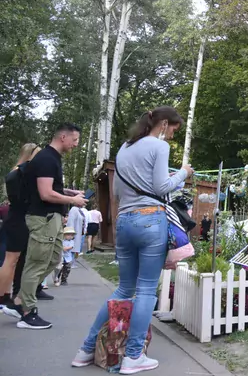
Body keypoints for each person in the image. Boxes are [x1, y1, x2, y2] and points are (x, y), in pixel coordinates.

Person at [72, 107, 193, 374]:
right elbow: (161, 187)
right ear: (163, 124)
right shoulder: (159, 147)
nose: (173, 135)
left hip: (124, 221)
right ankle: (134, 355)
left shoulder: (125, 148)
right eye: (174, 129)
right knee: (147, 290)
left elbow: (116, 191)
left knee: (124, 289)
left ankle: (87, 349)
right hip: (150, 219)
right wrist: (183, 173)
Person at [11, 126, 87, 329]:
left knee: (53, 259)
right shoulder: (46, 159)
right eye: (75, 140)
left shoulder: (52, 158)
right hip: (43, 218)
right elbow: (45, 194)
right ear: (63, 137)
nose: (76, 144)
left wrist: (68, 192)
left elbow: (49, 187)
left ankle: (20, 299)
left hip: (51, 218)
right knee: (36, 264)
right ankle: (27, 313)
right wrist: (73, 201)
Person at [1, 144, 49, 316]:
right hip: (18, 220)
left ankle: (12, 295)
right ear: (30, 155)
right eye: (38, 155)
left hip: (20, 219)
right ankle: (3, 297)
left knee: (18, 261)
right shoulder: (18, 174)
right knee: (11, 260)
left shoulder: (20, 173)